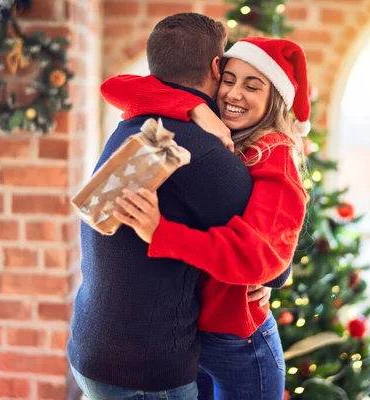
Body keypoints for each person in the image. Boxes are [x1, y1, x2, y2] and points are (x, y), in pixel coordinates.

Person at [101, 36, 312, 399]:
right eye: (228, 79)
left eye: (252, 85)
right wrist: (193, 108)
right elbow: (116, 87)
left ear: (274, 97)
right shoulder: (214, 128)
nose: (234, 94)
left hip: (239, 343)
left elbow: (256, 256)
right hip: (192, 332)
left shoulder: (275, 159)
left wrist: (161, 233)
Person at [67, 13, 256, 400]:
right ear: (216, 67)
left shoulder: (133, 122)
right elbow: (273, 266)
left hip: (89, 348)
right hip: (144, 372)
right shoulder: (204, 151)